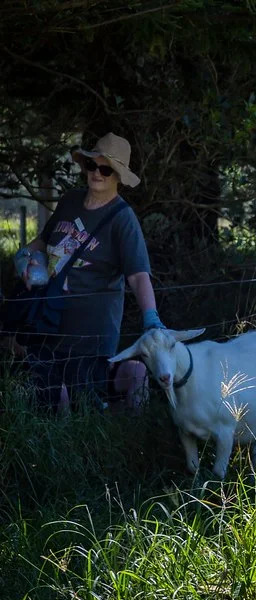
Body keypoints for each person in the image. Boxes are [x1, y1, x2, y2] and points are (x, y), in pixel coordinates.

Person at [6, 132, 165, 412]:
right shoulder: (70, 201)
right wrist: (25, 258)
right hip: (47, 323)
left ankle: (129, 392)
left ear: (117, 176)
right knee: (48, 401)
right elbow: (44, 240)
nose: (97, 174)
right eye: (92, 166)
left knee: (80, 406)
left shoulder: (122, 219)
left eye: (105, 169)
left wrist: (151, 318)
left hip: (90, 337)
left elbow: (138, 275)